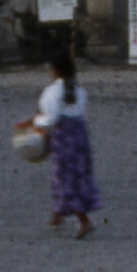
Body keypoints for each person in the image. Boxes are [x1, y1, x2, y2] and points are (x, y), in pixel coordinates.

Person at [35, 47, 100, 237]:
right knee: (78, 175)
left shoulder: (52, 91)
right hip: (79, 135)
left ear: (54, 70)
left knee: (64, 177)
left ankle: (84, 221)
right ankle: (57, 214)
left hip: (63, 137)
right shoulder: (79, 91)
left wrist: (36, 122)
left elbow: (51, 118)